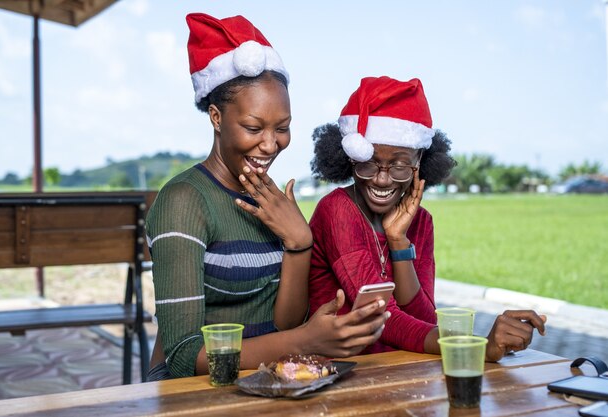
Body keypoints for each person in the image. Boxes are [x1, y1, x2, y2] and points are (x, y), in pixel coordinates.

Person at [145, 13, 388, 380]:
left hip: (262, 381)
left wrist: (299, 243)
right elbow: (182, 357)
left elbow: (284, 322)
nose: (271, 144)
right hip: (195, 390)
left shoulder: (274, 200)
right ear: (216, 117)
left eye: (283, 128)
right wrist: (303, 342)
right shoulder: (183, 201)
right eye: (253, 127)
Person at [308, 76, 546, 362]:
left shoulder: (421, 221)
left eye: (399, 165)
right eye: (369, 163)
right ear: (350, 158)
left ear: (419, 160)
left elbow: (423, 317)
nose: (382, 180)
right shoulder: (337, 210)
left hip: (401, 368)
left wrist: (398, 243)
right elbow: (382, 318)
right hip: (341, 371)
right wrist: (476, 347)